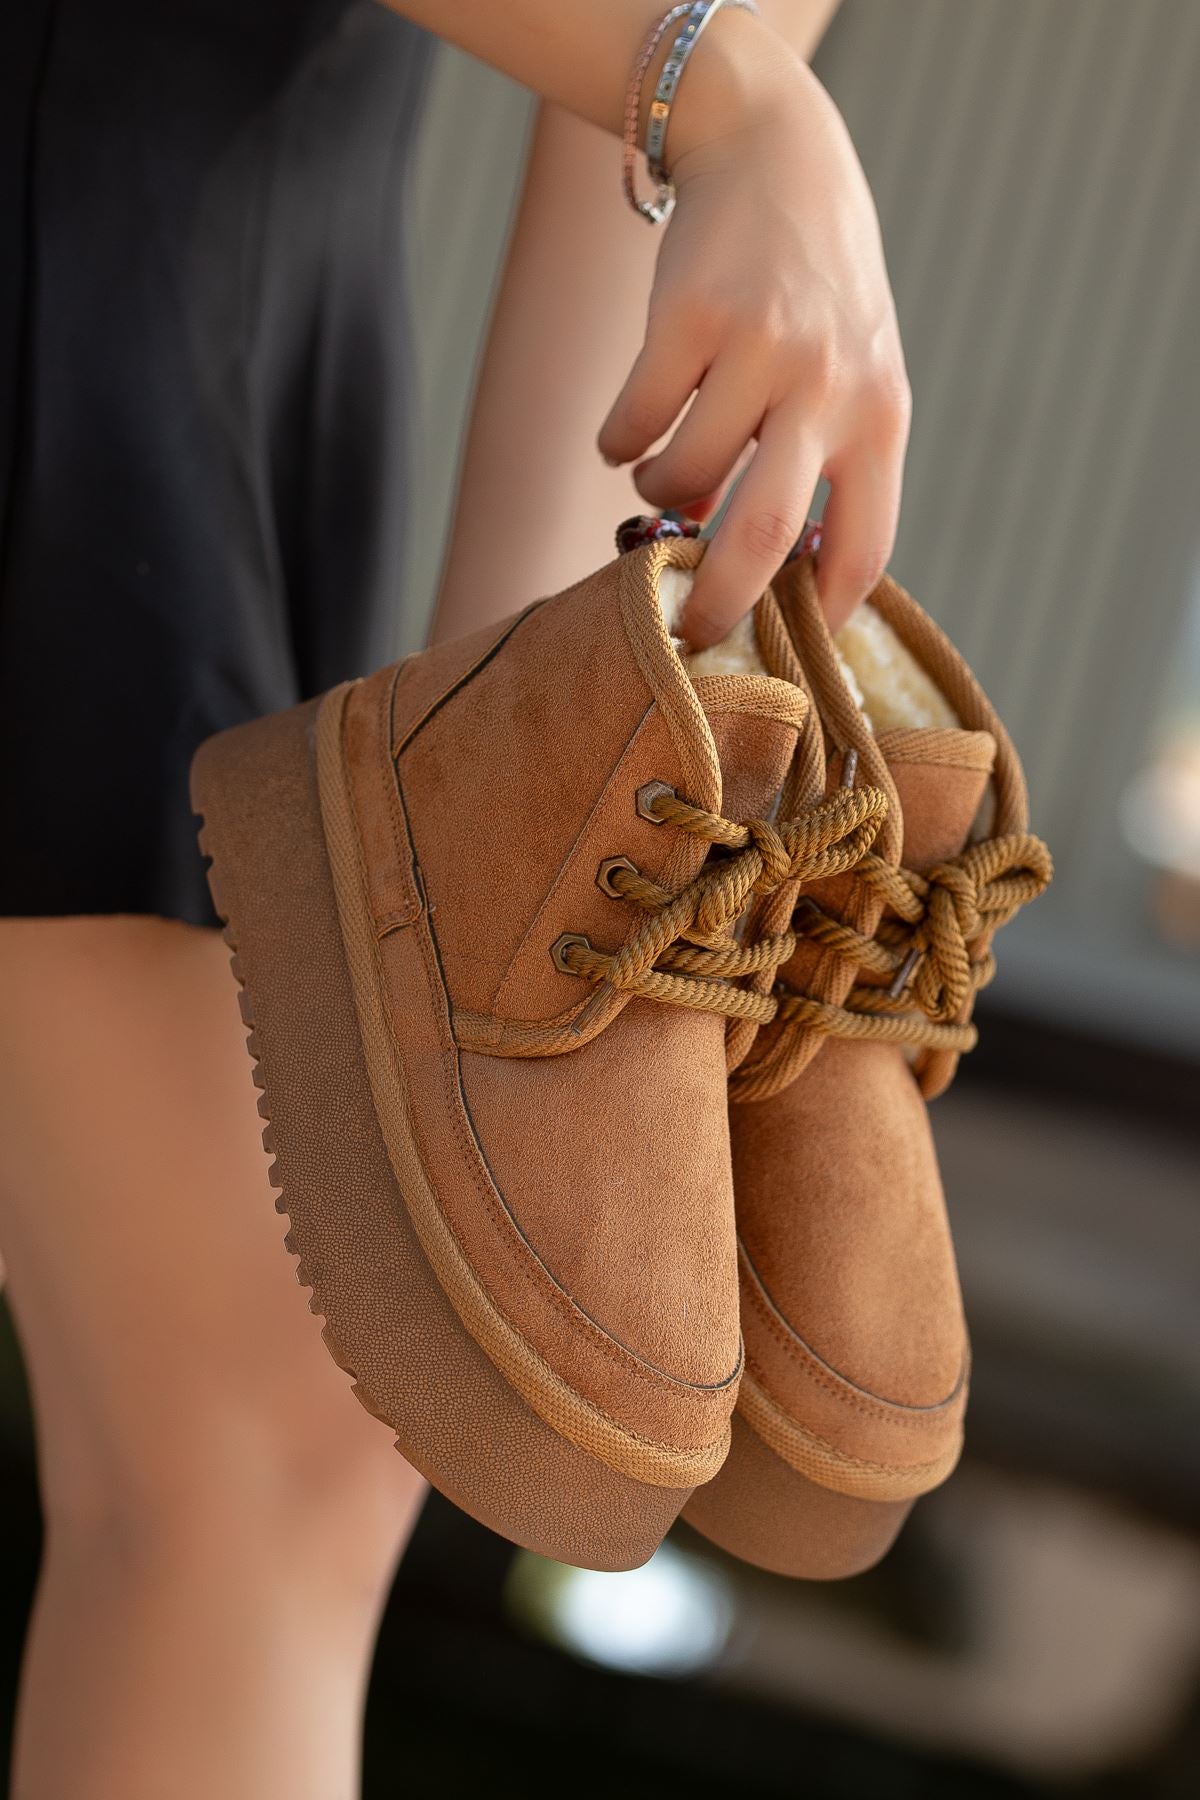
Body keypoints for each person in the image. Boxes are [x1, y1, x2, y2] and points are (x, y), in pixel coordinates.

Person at [0, 2, 909, 1793]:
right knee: (263, 1434)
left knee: (299, 1423)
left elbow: (655, 142)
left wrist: (543, 797)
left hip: (230, 278)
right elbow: (692, 75)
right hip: (77, 193)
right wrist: (709, 85)